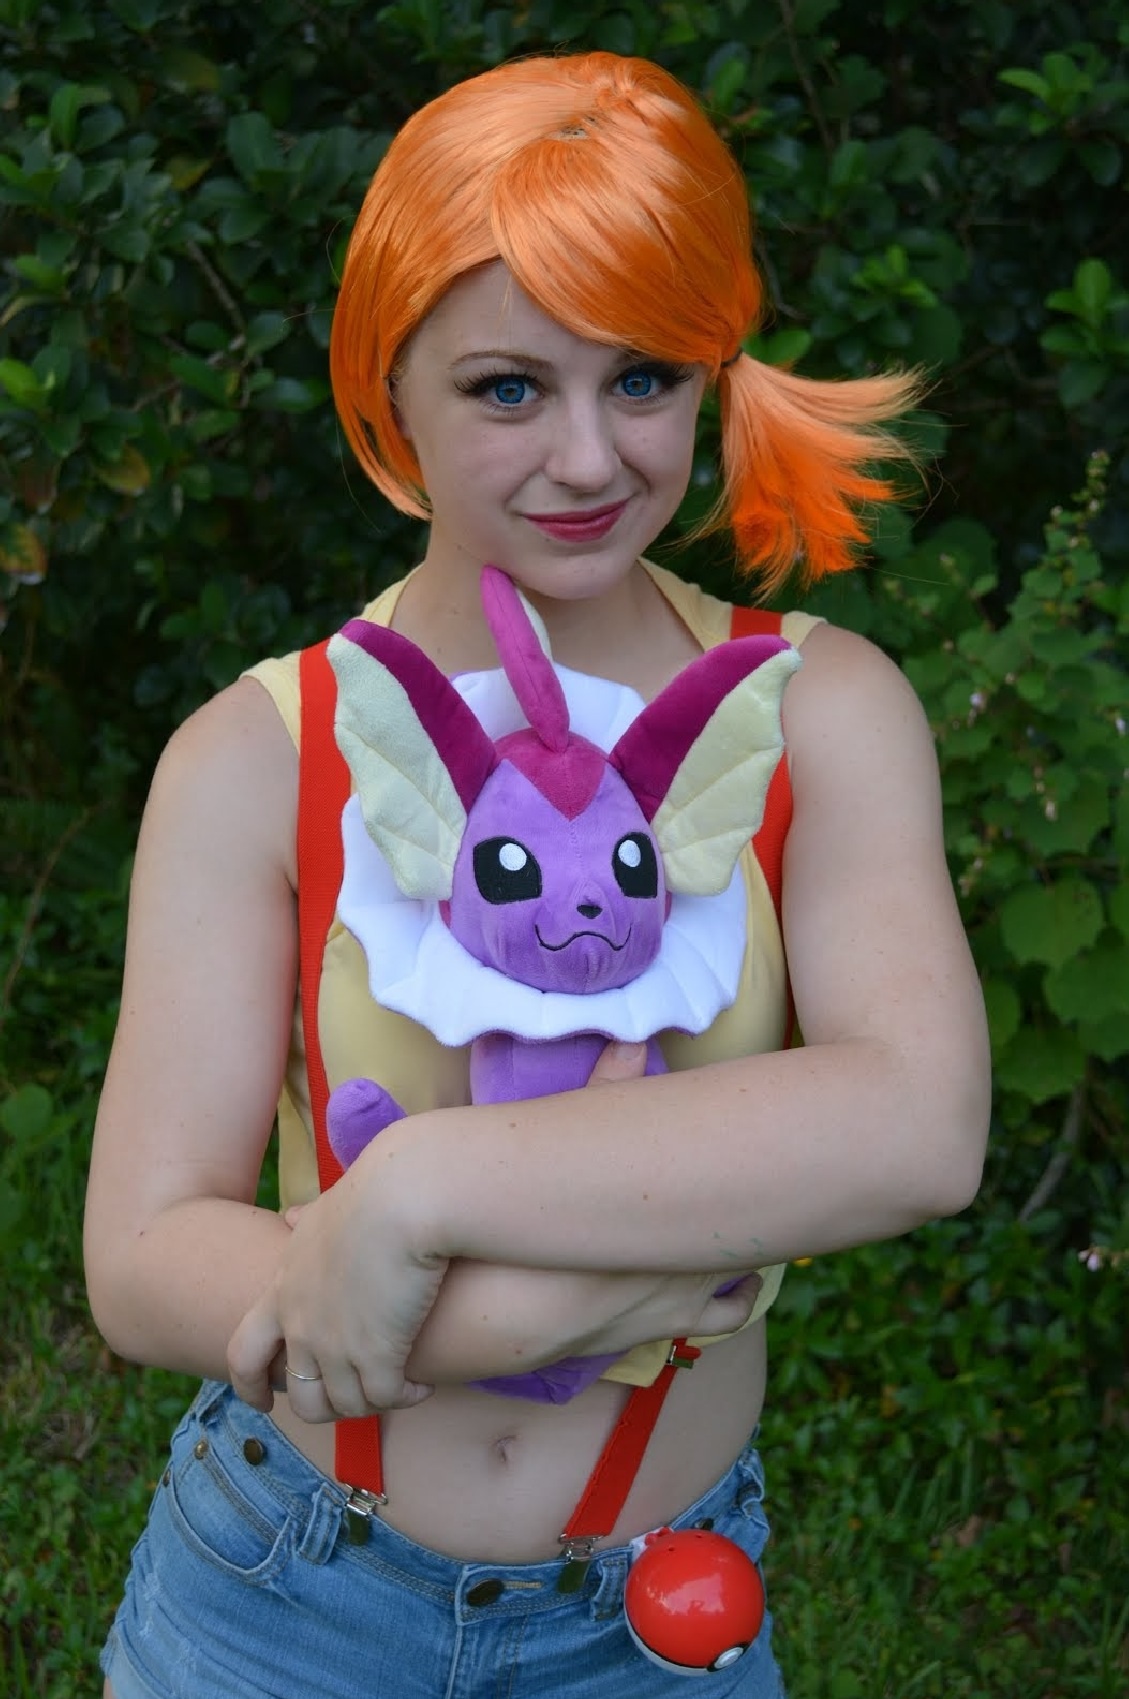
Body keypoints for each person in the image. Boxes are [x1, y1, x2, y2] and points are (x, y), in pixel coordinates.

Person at [85, 50, 991, 1699]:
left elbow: (916, 1126)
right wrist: (558, 1302)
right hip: (281, 1599)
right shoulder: (260, 755)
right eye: (508, 388)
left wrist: (415, 1194)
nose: (587, 459)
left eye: (641, 379)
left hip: (648, 1618)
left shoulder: (813, 714)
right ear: (389, 388)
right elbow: (145, 1253)